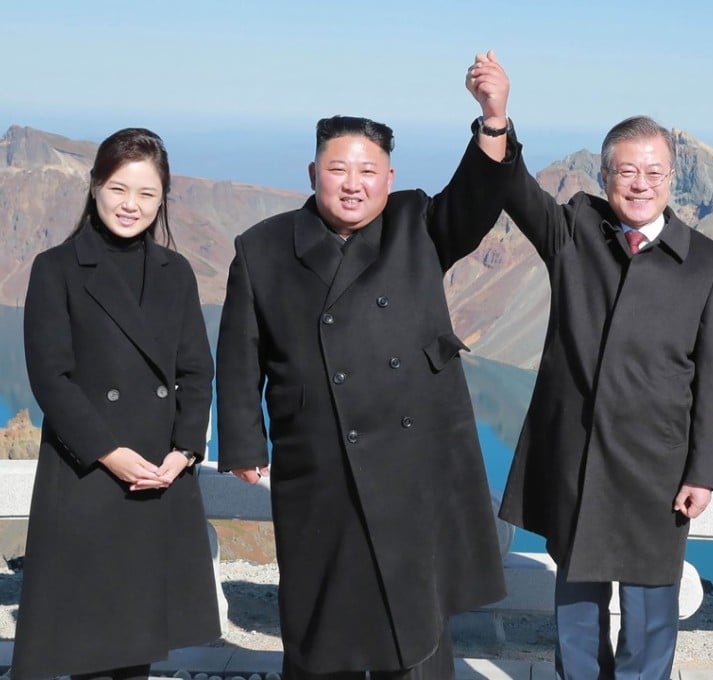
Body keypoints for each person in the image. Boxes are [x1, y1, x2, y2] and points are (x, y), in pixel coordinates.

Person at [215, 52, 515, 680]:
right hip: (319, 458)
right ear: (312, 172)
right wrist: (245, 441)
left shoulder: (418, 222)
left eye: (368, 171)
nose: (353, 183)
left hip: (417, 460)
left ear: (389, 176)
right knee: (325, 615)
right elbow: (241, 352)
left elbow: (478, 199)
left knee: (417, 617)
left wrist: (492, 118)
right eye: (338, 169)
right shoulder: (264, 247)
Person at [491, 106, 713, 677]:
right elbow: (513, 187)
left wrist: (703, 472)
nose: (641, 184)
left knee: (652, 615)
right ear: (604, 178)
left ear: (672, 179)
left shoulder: (705, 261)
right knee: (578, 609)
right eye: (627, 172)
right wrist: (496, 120)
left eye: (654, 172)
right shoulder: (574, 233)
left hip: (659, 466)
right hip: (578, 460)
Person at [12, 128, 220, 680]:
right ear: (96, 186)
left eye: (147, 194)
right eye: (119, 189)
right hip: (88, 473)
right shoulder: (55, 268)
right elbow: (50, 378)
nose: (132, 205)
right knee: (89, 642)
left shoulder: (176, 274)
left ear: (163, 198)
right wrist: (108, 450)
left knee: (136, 643)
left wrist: (185, 448)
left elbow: (196, 369)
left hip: (158, 472)